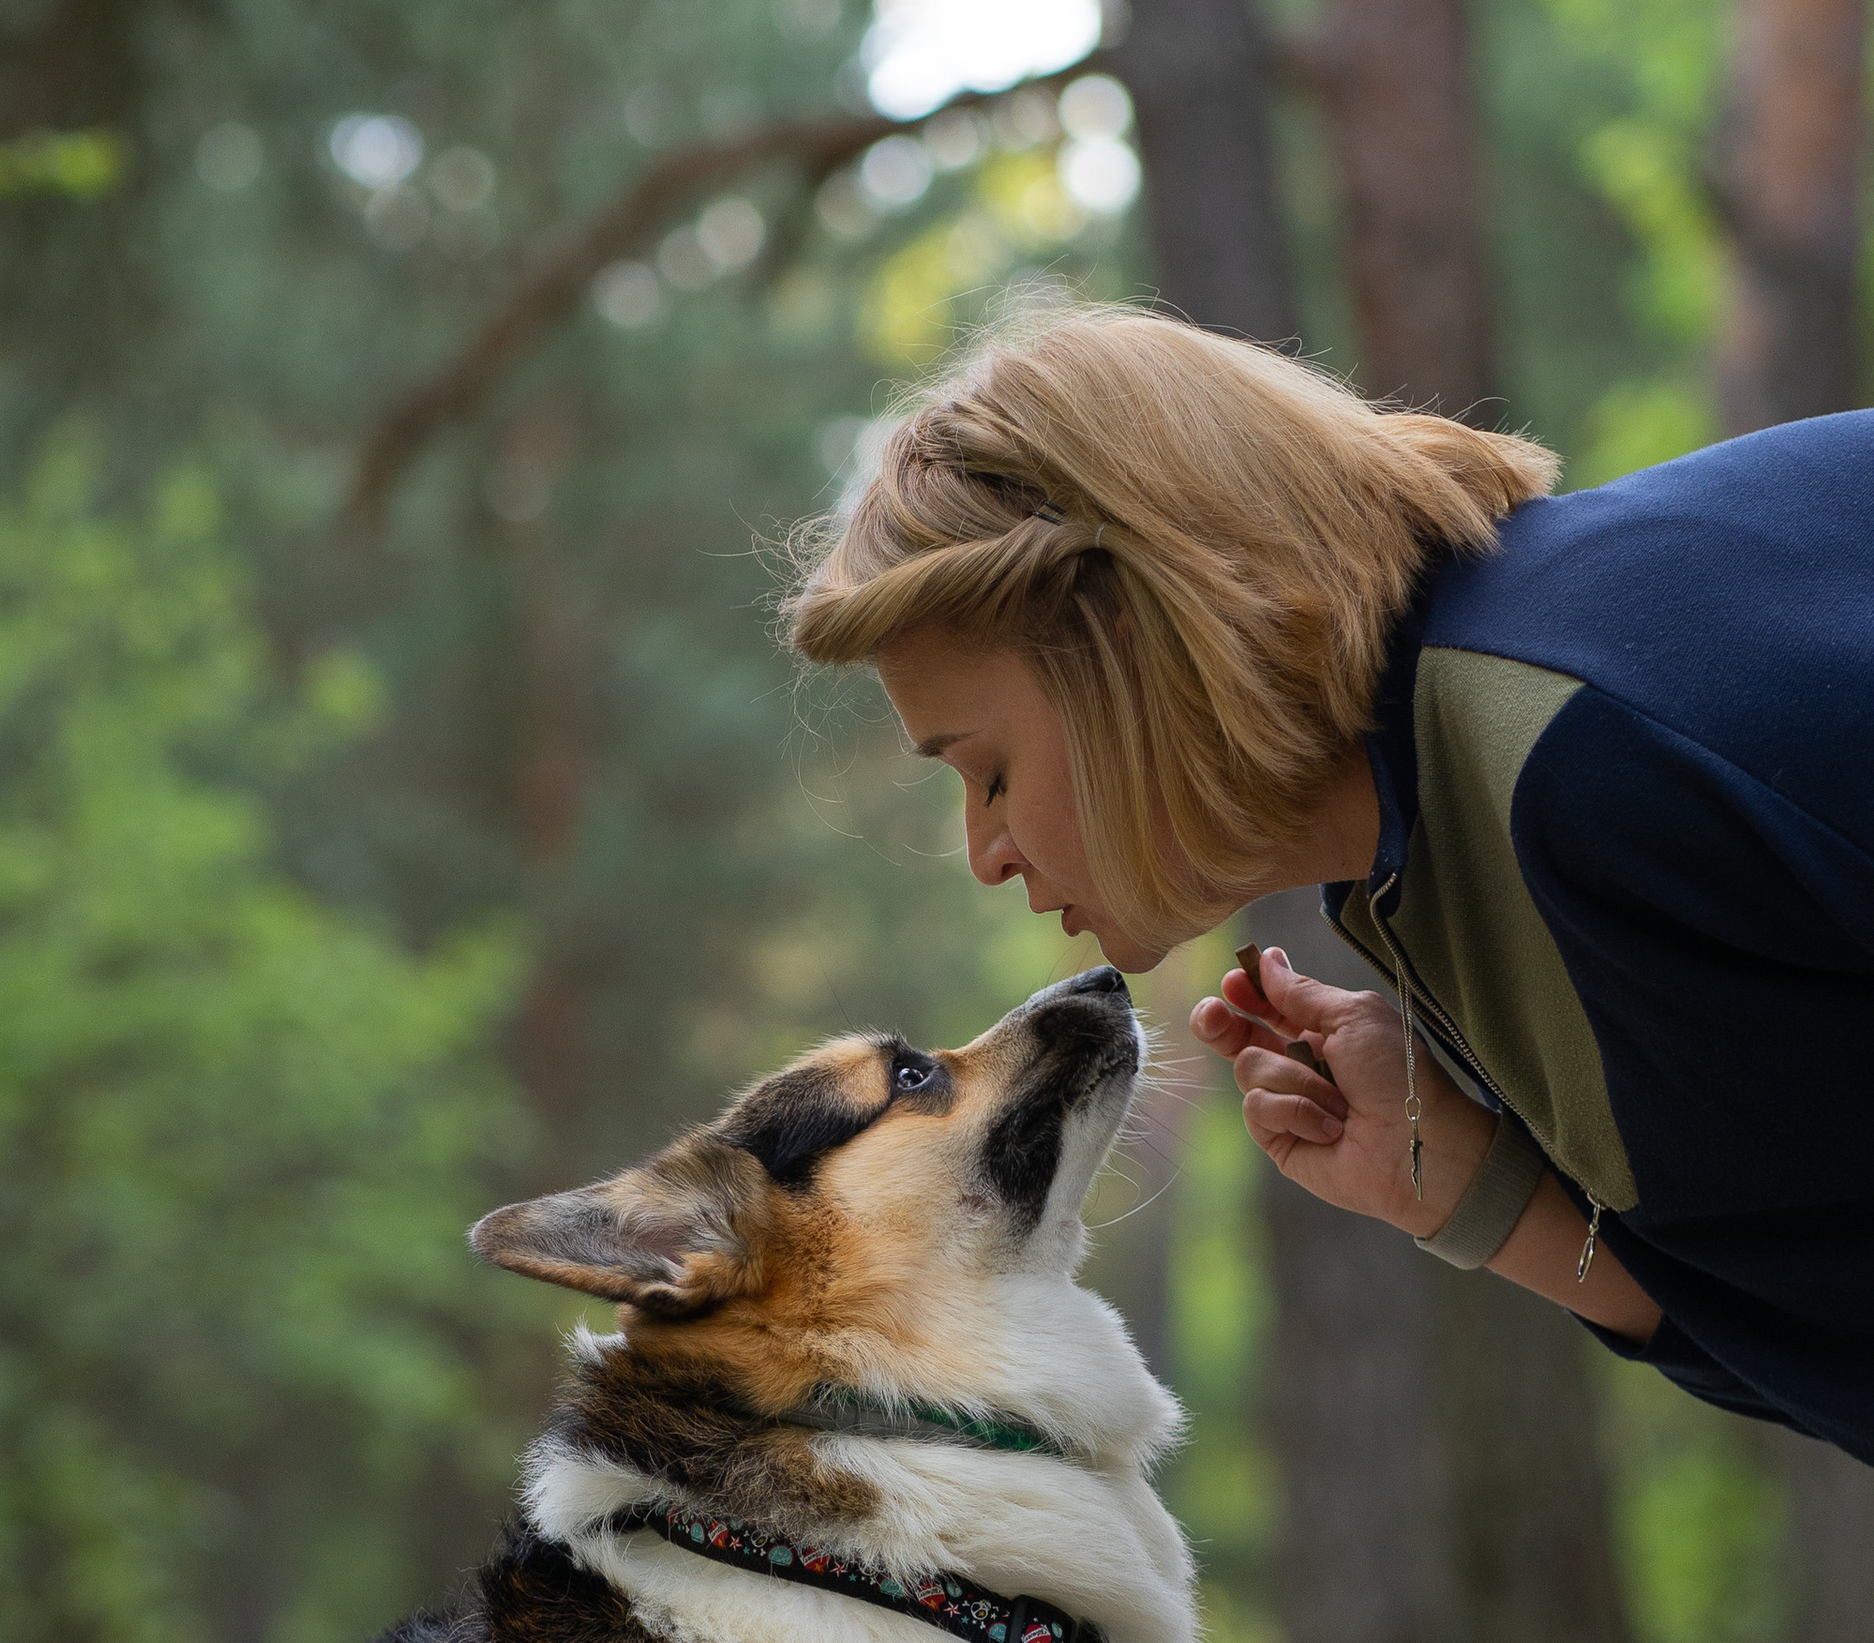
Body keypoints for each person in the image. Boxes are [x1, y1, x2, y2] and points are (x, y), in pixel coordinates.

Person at [784, 305, 1874, 1464]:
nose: (984, 852)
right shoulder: (1445, 823)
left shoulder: (1575, 749)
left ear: (1122, 645)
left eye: (988, 772)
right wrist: (1477, 1200)